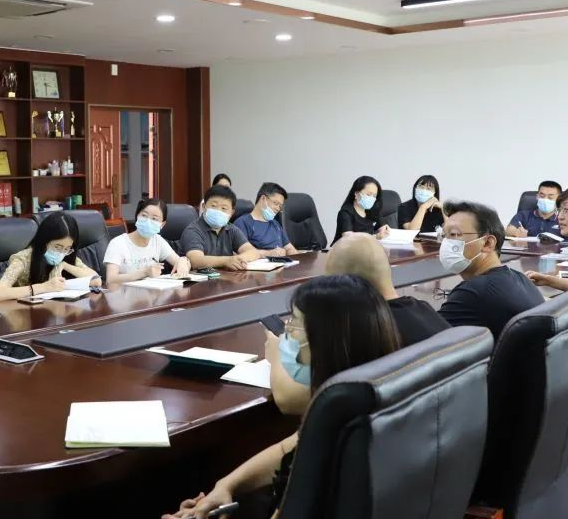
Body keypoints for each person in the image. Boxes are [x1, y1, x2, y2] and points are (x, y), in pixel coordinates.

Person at [163, 275, 401, 519]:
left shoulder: (328, 461)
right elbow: (293, 447)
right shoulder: (364, 408)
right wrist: (227, 485)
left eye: (294, 324)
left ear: (323, 343)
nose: (286, 332)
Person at [266, 233, 449, 416]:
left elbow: (292, 400)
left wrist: (277, 354)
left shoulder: (369, 330)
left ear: (346, 285)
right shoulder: (423, 310)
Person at [437, 200, 544, 339]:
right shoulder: (520, 278)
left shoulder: (473, 292)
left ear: (487, 243)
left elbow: (425, 342)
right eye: (443, 235)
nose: (446, 243)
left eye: (454, 234)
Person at [0, 213, 101, 301]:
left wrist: (65, 265)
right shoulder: (23, 259)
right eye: (57, 247)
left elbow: (96, 281)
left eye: (67, 248)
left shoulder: (66, 256)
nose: (61, 253)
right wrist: (44, 287)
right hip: (25, 314)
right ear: (44, 241)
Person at [104, 198, 191, 282]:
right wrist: (144, 272)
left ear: (162, 224)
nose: (148, 221)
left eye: (154, 219)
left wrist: (183, 262)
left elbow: (178, 261)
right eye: (144, 215)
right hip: (123, 291)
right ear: (137, 216)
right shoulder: (117, 243)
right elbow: (111, 279)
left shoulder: (157, 241)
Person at [181, 185, 262, 270]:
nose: (218, 211)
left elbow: (253, 252)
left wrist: (236, 260)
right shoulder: (193, 230)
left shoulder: (231, 229)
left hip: (224, 276)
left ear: (231, 213)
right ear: (204, 207)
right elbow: (195, 261)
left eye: (224, 208)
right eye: (213, 206)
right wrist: (226, 261)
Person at [234, 182, 297, 256]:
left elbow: (289, 248)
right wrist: (270, 253)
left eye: (280, 206)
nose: (278, 209)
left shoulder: (275, 224)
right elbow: (244, 252)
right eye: (276, 203)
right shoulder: (242, 223)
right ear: (263, 199)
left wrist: (297, 257)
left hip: (281, 262)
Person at [333, 175, 390, 243]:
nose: (371, 198)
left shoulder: (371, 211)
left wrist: (383, 228)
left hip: (365, 248)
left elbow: (382, 224)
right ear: (356, 194)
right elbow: (348, 238)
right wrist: (375, 237)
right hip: (344, 248)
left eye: (374, 196)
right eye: (368, 194)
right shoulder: (346, 212)